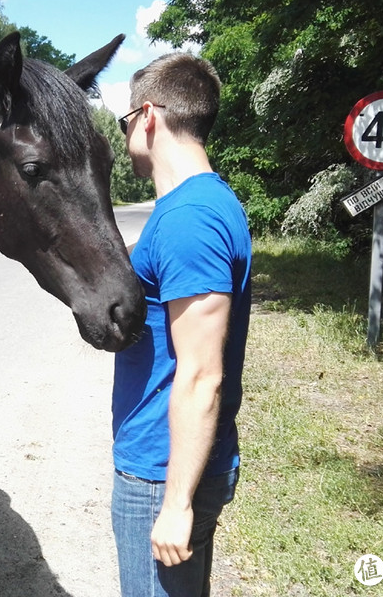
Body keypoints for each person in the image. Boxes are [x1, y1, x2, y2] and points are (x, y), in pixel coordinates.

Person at [110, 52, 252, 597]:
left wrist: (175, 504)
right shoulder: (193, 208)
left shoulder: (189, 221)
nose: (126, 136)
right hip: (168, 465)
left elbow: (200, 376)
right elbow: (157, 267)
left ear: (148, 115)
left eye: (125, 122)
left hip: (160, 473)